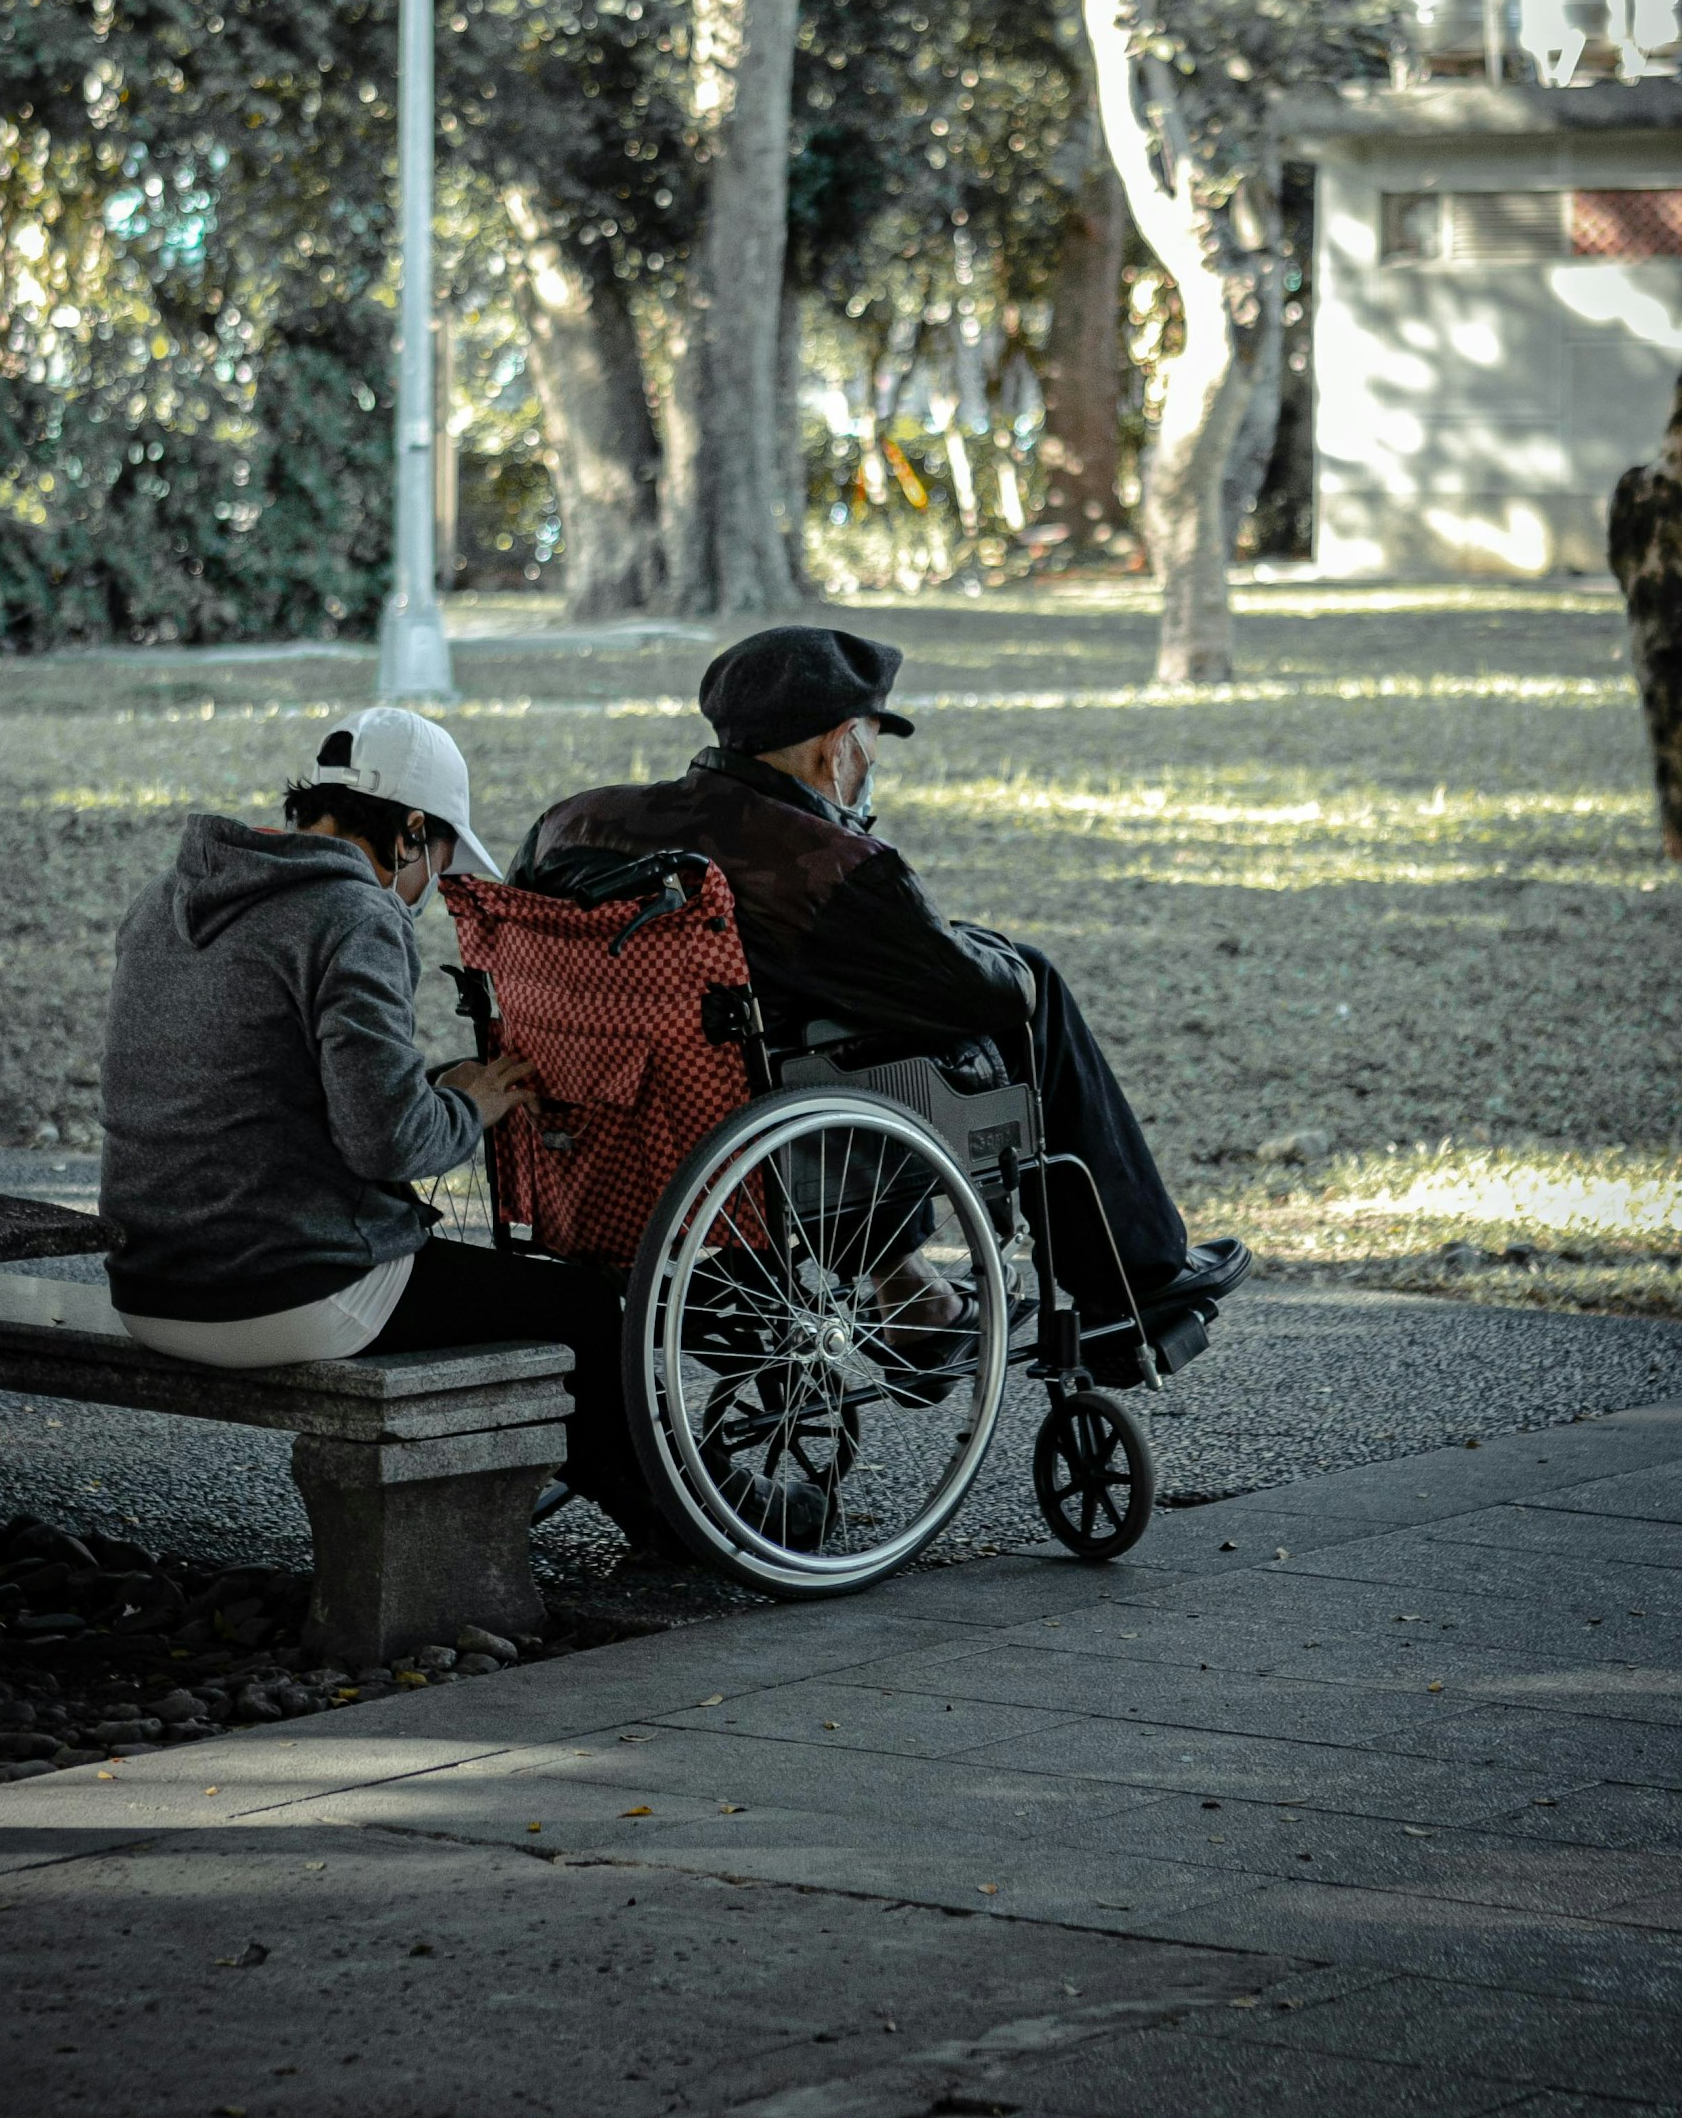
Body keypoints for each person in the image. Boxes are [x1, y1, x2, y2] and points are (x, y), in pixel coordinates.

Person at [509, 626, 1249, 1337]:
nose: (870, 762)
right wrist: (998, 957)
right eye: (870, 742)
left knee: (835, 1024)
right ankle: (1136, 1275)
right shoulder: (826, 862)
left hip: (609, 1118)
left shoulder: (573, 822)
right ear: (839, 745)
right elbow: (982, 996)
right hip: (772, 1123)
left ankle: (910, 1288)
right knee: (1033, 987)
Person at [99, 703, 659, 1541]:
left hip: (147, 1283)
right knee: (580, 1307)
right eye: (435, 856)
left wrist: (440, 1086)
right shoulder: (353, 914)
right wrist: (472, 1104)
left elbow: (272, 1086)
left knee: (519, 1300)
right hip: (284, 1290)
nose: (430, 886)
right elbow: (388, 1141)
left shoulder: (167, 899)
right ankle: (670, 1528)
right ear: (405, 832)